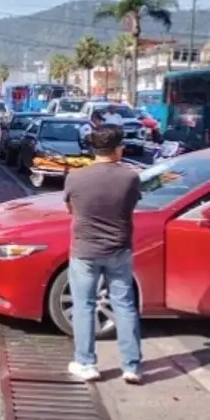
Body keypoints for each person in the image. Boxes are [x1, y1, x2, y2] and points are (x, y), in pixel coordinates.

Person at [62, 125, 142, 385]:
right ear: (118, 149)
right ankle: (131, 367)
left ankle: (86, 363)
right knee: (125, 305)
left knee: (84, 306)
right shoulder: (130, 177)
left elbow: (69, 208)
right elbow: (131, 205)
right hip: (119, 249)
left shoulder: (75, 176)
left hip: (85, 250)